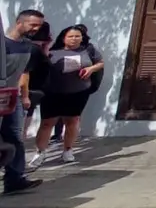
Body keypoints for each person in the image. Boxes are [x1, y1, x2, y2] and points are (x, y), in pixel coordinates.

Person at [30, 25, 103, 168]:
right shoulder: (53, 50)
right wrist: (45, 50)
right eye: (71, 36)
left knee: (72, 121)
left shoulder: (89, 49)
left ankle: (68, 150)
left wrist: (90, 69)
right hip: (53, 92)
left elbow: (100, 63)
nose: (74, 39)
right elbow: (40, 65)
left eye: (77, 36)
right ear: (63, 38)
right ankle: (40, 152)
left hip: (78, 92)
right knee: (47, 123)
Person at [1, 10, 44, 194]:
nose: (36, 29)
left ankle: (14, 179)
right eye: (33, 25)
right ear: (19, 22)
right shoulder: (3, 43)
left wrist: (24, 95)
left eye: (39, 26)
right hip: (1, 94)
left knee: (16, 138)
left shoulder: (28, 46)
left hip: (12, 98)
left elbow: (24, 73)